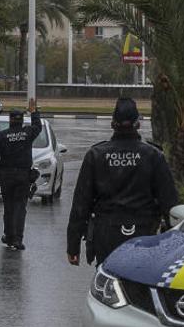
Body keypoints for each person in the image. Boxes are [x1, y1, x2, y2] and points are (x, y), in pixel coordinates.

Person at [67, 98, 178, 266]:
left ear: (112, 123)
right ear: (138, 124)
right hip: (144, 233)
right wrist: (175, 245)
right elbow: (169, 203)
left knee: (107, 281)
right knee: (142, 280)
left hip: (106, 234)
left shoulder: (96, 155)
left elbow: (81, 204)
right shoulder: (153, 155)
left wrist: (73, 246)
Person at [0, 99, 42, 251]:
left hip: (7, 176)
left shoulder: (2, 135)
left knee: (9, 207)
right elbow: (38, 127)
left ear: (10, 120)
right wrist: (34, 111)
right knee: (20, 207)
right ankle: (17, 238)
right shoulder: (27, 133)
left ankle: (9, 235)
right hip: (23, 176)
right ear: (22, 120)